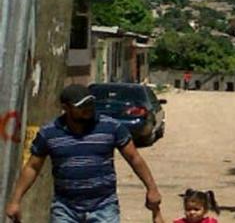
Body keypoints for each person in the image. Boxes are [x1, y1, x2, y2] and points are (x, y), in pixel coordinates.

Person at [5, 84, 163, 223]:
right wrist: (15, 201)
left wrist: (152, 188)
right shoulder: (49, 133)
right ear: (65, 108)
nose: (87, 109)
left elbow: (134, 158)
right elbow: (32, 167)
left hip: (104, 207)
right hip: (65, 209)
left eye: (90, 103)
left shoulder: (111, 127)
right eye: (81, 106)